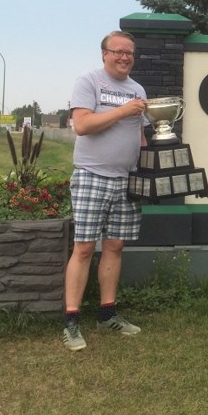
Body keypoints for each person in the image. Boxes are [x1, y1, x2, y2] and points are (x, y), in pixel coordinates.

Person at [61, 30, 149, 352]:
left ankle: (107, 314)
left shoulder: (137, 89)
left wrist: (152, 166)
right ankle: (71, 322)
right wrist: (125, 110)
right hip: (91, 175)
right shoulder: (89, 81)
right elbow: (82, 125)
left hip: (125, 178)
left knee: (114, 246)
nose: (124, 57)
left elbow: (140, 136)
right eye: (118, 52)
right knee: (84, 248)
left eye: (129, 53)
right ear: (104, 54)